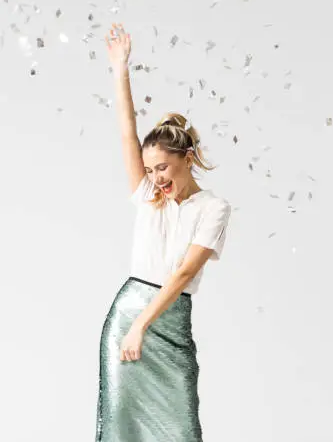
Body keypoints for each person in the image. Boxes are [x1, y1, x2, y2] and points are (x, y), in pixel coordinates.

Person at [95, 23, 232, 441]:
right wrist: (121, 70)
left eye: (163, 168)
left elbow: (183, 276)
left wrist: (144, 325)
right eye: (150, 169)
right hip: (129, 313)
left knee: (182, 429)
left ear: (187, 158)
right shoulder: (149, 197)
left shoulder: (213, 208)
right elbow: (125, 133)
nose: (155, 177)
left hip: (167, 322)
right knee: (122, 428)